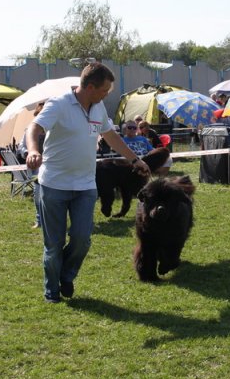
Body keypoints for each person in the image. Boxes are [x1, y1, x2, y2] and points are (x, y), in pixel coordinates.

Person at [25, 63, 150, 303]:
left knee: (82, 239)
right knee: (54, 244)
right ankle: (52, 290)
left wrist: (135, 160)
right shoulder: (59, 104)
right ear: (90, 87)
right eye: (104, 90)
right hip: (53, 184)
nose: (106, 95)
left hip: (85, 185)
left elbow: (110, 136)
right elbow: (34, 127)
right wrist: (33, 151)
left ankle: (66, 274)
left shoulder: (98, 106)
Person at [17, 102, 45, 228]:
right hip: (37, 169)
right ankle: (39, 220)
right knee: (38, 195)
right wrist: (29, 153)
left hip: (55, 167)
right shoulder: (30, 130)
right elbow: (21, 147)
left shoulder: (57, 130)